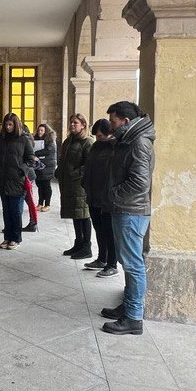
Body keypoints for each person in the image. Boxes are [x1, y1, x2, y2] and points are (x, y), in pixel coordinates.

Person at [99, 100, 154, 335]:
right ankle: (128, 306)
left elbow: (140, 182)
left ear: (126, 121)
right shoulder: (129, 139)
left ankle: (133, 317)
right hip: (125, 208)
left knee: (133, 264)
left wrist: (113, 193)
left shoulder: (139, 142)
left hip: (130, 210)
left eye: (113, 122)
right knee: (129, 262)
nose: (111, 127)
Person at [0, 112, 36, 250]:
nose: (8, 127)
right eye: (6, 124)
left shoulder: (24, 140)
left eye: (10, 124)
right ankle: (7, 237)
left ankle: (16, 238)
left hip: (16, 180)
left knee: (15, 211)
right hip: (3, 180)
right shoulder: (0, 140)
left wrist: (21, 170)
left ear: (16, 125)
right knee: (6, 211)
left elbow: (30, 159)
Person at [82, 119, 118, 277]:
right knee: (99, 230)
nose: (98, 138)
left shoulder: (115, 148)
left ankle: (112, 264)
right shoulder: (95, 146)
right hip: (93, 194)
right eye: (96, 135)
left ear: (109, 133)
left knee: (109, 232)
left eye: (101, 135)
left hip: (107, 197)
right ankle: (101, 258)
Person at [55, 114, 93, 260]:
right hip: (68, 185)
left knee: (83, 216)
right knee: (75, 215)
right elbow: (63, 159)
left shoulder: (87, 142)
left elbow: (89, 165)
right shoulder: (68, 141)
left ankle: (86, 247)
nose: (72, 125)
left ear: (83, 125)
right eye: (71, 122)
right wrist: (59, 171)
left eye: (75, 123)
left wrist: (73, 174)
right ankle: (78, 243)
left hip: (80, 185)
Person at [33, 123, 58, 211]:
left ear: (46, 131)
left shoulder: (50, 140)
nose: (40, 132)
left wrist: (35, 153)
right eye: (39, 130)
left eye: (42, 130)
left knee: (46, 185)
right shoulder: (36, 139)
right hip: (39, 166)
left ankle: (47, 204)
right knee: (40, 185)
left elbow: (47, 150)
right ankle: (40, 203)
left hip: (47, 166)